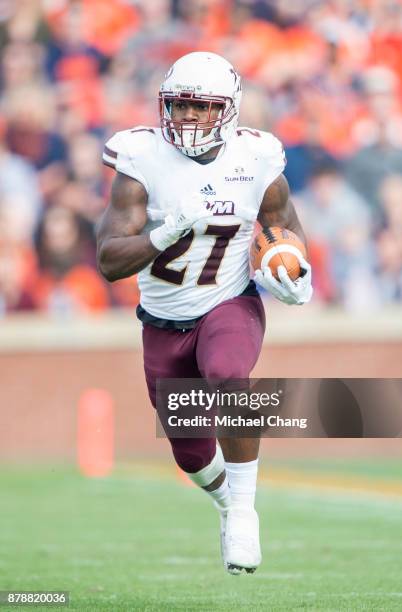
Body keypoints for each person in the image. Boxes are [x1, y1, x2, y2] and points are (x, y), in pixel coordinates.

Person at [97, 52, 312, 574]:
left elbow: (285, 226)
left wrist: (294, 271)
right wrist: (165, 232)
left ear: (229, 110)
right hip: (163, 322)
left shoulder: (257, 159)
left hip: (228, 301)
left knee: (229, 376)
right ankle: (224, 503)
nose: (188, 116)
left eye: (202, 106)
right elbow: (108, 260)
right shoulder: (140, 158)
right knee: (192, 457)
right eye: (180, 105)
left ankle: (243, 512)